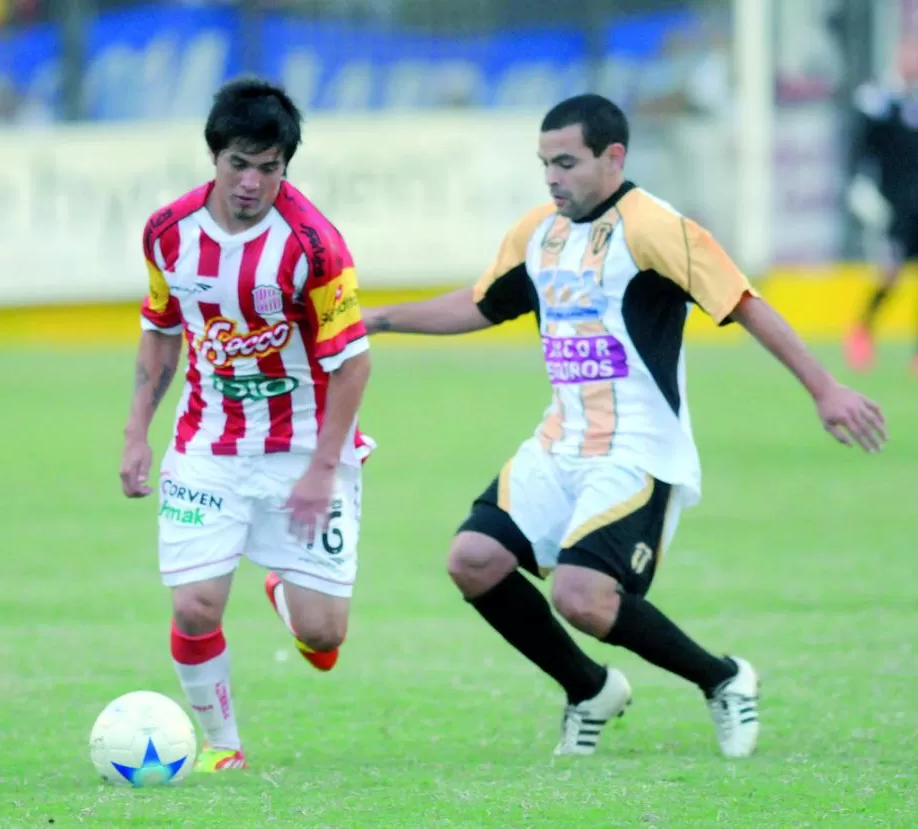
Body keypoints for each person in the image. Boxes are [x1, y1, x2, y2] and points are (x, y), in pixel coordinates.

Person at [363, 94, 887, 759]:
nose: (552, 178)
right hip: (560, 442)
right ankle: (589, 688)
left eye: (566, 163)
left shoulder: (655, 228)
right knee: (472, 559)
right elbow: (479, 304)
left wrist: (825, 388)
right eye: (544, 164)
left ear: (614, 157)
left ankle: (723, 678)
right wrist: (378, 320)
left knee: (582, 597)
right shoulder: (538, 232)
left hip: (637, 451)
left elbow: (745, 303)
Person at [119, 77, 373, 773]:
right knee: (197, 604)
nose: (252, 182)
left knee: (324, 639)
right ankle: (222, 745)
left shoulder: (315, 245)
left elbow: (352, 364)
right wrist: (137, 431)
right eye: (240, 162)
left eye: (270, 167)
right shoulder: (169, 234)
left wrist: (325, 467)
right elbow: (160, 332)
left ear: (286, 168)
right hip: (208, 443)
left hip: (303, 447)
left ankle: (285, 590)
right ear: (214, 156)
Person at [844, 37, 918, 375]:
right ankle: (862, 327)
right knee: (890, 275)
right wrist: (862, 188)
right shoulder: (879, 101)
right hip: (896, 205)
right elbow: (861, 149)